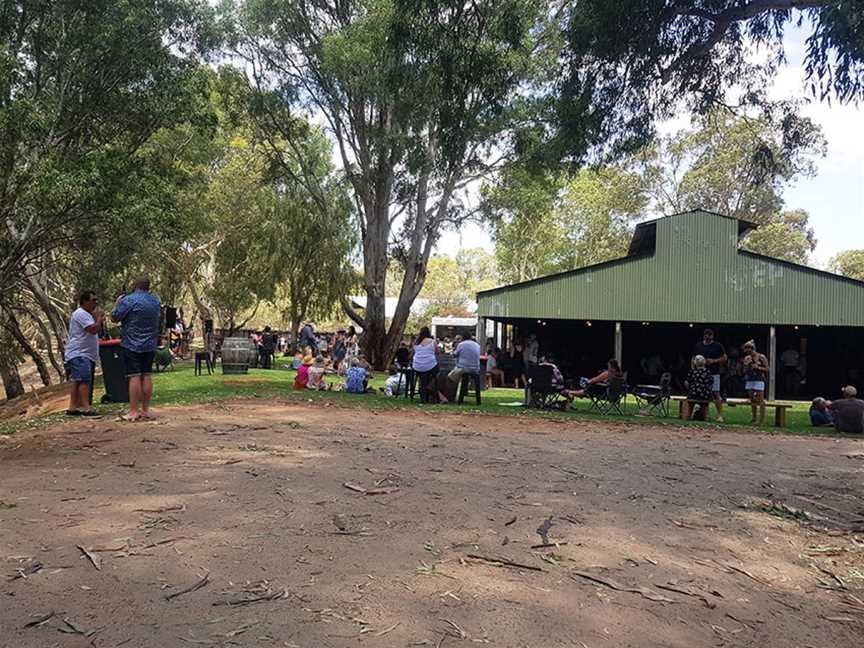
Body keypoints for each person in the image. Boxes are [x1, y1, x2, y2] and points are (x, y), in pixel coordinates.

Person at [111, 277, 161, 422]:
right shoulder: (155, 300)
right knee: (146, 374)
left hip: (131, 343)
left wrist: (117, 303)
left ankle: (133, 411)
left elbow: (115, 317)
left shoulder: (129, 300)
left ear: (135, 285)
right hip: (150, 343)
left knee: (134, 376)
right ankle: (145, 410)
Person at [64, 290, 104, 417]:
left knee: (78, 380)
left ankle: (72, 407)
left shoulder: (86, 314)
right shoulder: (81, 314)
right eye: (93, 300)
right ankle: (85, 408)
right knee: (84, 380)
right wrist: (99, 319)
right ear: (85, 301)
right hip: (80, 354)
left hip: (84, 354)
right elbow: (92, 329)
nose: (96, 303)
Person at [692, 328, 727, 422]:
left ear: (712, 336)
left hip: (714, 373)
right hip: (700, 374)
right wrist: (693, 369)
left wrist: (714, 361)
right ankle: (705, 415)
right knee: (702, 394)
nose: (708, 337)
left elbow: (724, 358)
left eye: (710, 335)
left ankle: (720, 415)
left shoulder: (718, 346)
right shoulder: (698, 345)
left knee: (716, 393)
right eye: (706, 335)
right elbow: (693, 357)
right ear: (704, 336)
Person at [741, 340, 769, 424]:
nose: (748, 351)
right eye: (746, 350)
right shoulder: (747, 358)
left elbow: (767, 369)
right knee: (752, 399)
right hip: (750, 379)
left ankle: (761, 419)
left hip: (759, 379)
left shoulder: (761, 357)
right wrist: (746, 365)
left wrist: (758, 367)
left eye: (749, 349)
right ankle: (754, 418)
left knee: (760, 399)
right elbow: (744, 371)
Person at [412, 326, 439, 403]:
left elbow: (412, 354)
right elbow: (437, 353)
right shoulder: (432, 341)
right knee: (437, 371)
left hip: (417, 366)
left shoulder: (416, 342)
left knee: (423, 378)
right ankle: (430, 387)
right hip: (430, 365)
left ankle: (424, 394)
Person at [454, 332, 482, 404]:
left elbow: (455, 354)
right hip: (475, 369)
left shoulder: (461, 344)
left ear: (463, 338)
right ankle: (478, 399)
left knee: (452, 376)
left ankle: (459, 398)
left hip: (464, 368)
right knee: (474, 381)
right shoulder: (477, 345)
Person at [685, 355, 714, 421]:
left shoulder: (693, 371)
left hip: (694, 393)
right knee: (705, 404)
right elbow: (711, 382)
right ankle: (706, 417)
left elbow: (687, 382)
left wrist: (689, 389)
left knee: (690, 402)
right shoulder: (708, 372)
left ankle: (688, 416)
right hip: (705, 394)